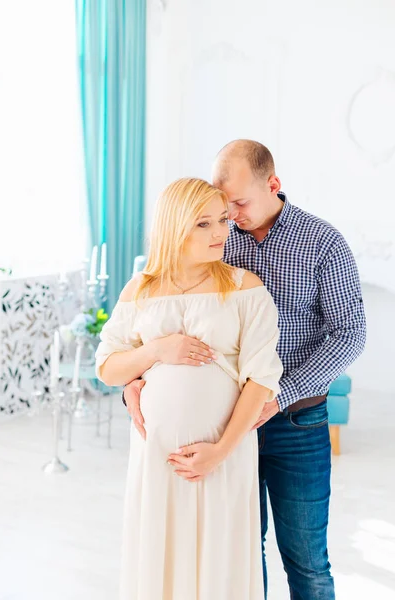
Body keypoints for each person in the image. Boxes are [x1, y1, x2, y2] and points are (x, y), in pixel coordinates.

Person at [124, 141, 367, 599]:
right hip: (220, 425)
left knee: (308, 561)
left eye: (238, 203)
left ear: (273, 185)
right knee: (236, 553)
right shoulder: (213, 236)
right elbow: (162, 316)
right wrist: (136, 381)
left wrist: (281, 393)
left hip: (296, 420)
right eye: (221, 205)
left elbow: (350, 333)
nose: (228, 216)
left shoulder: (323, 243)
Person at [96, 177, 283, 599]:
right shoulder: (140, 289)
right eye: (204, 224)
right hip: (158, 455)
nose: (220, 232)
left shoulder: (244, 288)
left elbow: (261, 380)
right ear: (174, 225)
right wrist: (158, 349)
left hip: (224, 453)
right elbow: (108, 367)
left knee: (221, 559)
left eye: (221, 220)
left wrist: (220, 451)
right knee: (160, 554)